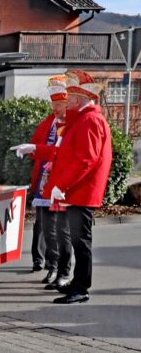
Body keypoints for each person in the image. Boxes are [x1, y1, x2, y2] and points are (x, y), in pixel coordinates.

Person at [41, 69, 112, 304]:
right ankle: (77, 283)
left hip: (81, 191)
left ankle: (81, 287)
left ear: (79, 100)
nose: (66, 102)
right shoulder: (86, 119)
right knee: (77, 240)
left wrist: (63, 185)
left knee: (81, 241)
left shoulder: (89, 120)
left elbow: (86, 159)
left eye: (70, 99)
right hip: (78, 190)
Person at [13, 75, 72, 287]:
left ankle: (63, 271)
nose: (55, 108)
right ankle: (52, 266)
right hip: (44, 183)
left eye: (59, 104)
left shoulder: (73, 125)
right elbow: (37, 145)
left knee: (60, 230)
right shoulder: (48, 122)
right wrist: (31, 149)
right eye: (53, 104)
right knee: (46, 227)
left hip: (61, 184)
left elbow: (63, 154)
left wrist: (37, 150)